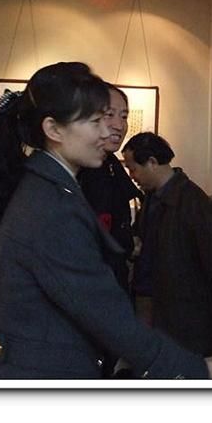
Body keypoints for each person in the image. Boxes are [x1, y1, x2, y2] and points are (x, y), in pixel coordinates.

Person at [0, 62, 211, 379]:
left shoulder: (46, 185)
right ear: (54, 130)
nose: (107, 132)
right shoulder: (52, 207)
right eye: (95, 121)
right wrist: (196, 369)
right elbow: (102, 311)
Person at [122, 132, 212, 357]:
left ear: (152, 162)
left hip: (185, 317)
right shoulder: (152, 198)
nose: (132, 176)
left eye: (133, 169)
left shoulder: (192, 202)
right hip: (155, 308)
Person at [78, 83, 143, 293]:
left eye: (124, 116)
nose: (119, 125)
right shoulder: (77, 170)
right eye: (109, 114)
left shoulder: (111, 164)